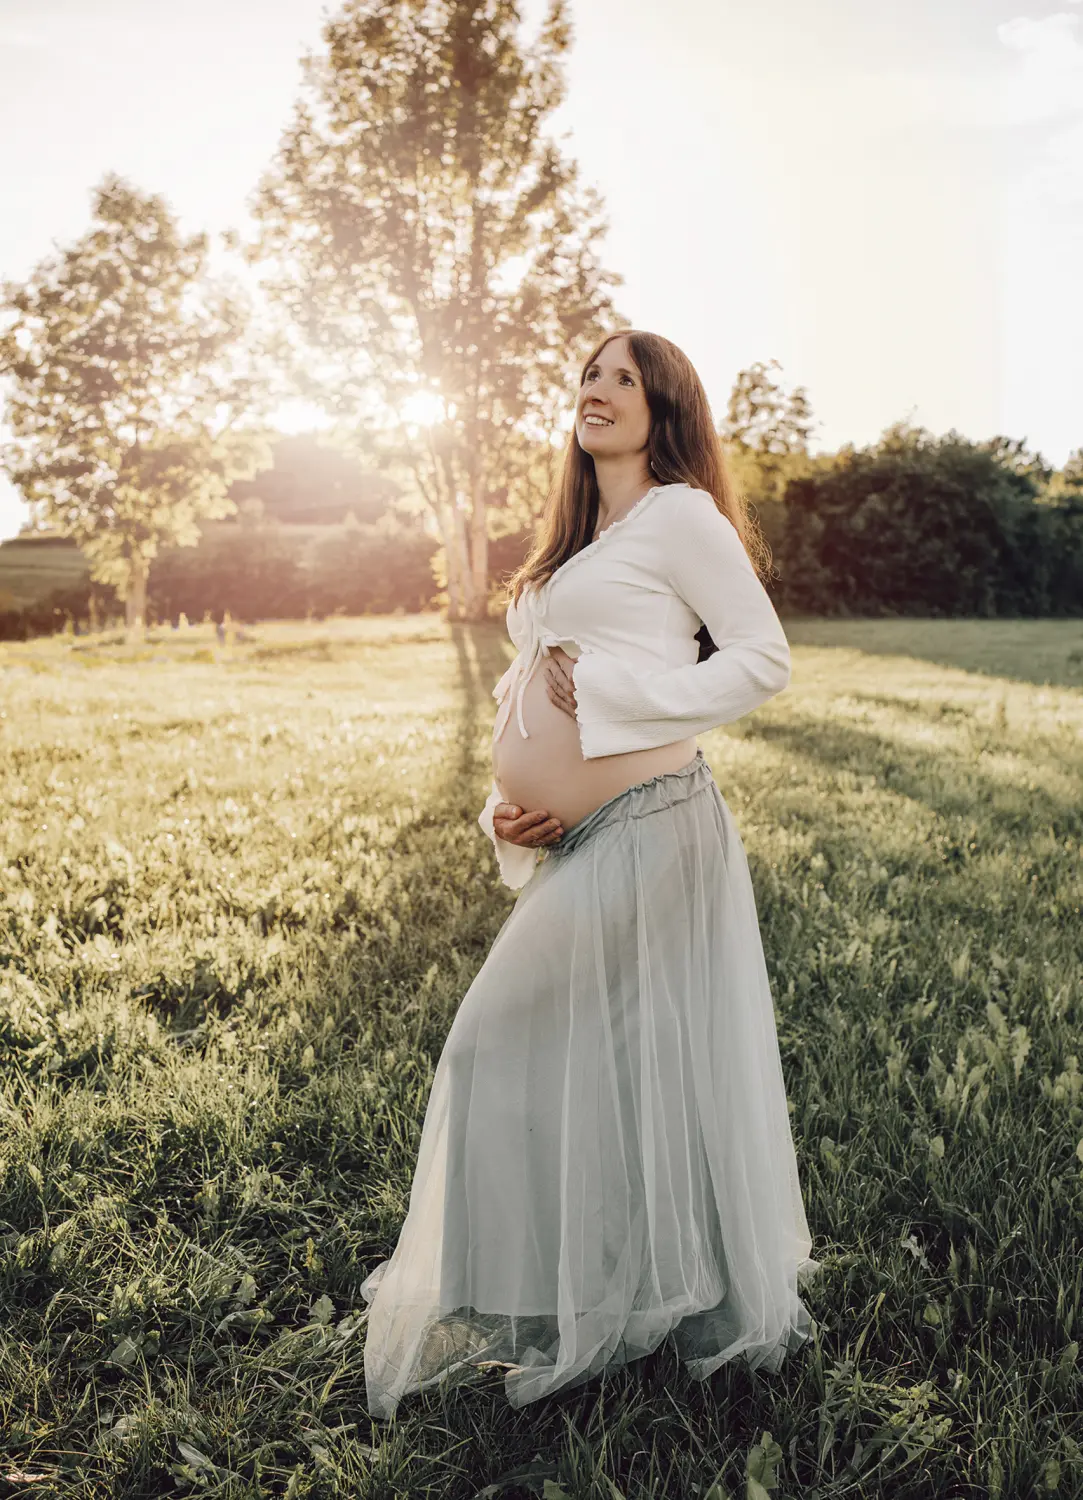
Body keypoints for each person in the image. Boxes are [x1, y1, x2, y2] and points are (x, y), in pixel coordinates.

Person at [359, 330, 820, 1421]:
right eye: (589, 376)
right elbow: (529, 701)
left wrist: (607, 690)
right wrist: (510, 807)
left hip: (656, 823)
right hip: (581, 833)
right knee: (598, 1071)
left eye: (626, 378)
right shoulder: (578, 542)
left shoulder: (681, 517)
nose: (597, 390)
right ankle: (595, 1302)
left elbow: (762, 658)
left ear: (665, 411)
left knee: (493, 1039)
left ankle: (583, 1312)